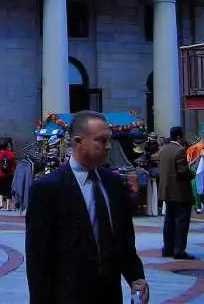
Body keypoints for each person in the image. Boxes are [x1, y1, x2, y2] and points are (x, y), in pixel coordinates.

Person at [25, 110, 148, 304]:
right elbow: (38, 259)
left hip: (110, 296)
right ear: (78, 141)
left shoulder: (114, 184)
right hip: (68, 296)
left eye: (109, 140)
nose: (108, 147)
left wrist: (136, 277)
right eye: (101, 140)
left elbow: (124, 240)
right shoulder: (47, 189)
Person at [158, 126, 195, 260]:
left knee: (169, 220)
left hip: (166, 191)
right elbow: (182, 171)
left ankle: (168, 248)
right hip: (180, 192)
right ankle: (179, 250)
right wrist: (192, 173)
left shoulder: (163, 150)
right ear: (179, 136)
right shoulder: (179, 151)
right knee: (181, 222)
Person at [0, 140, 15, 211]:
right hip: (9, 173)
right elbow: (14, 164)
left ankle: (1, 203)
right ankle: (8, 206)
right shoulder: (11, 154)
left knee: (0, 188)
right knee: (8, 189)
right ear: (6, 146)